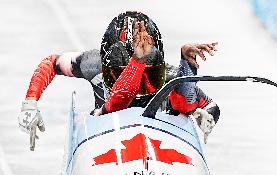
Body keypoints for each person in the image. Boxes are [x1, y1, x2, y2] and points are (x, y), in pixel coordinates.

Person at [18, 11, 219, 144]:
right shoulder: (92, 63)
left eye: (148, 76)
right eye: (119, 73)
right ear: (105, 68)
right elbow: (51, 63)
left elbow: (209, 106)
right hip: (106, 132)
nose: (139, 90)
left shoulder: (172, 77)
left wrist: (201, 115)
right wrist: (30, 103)